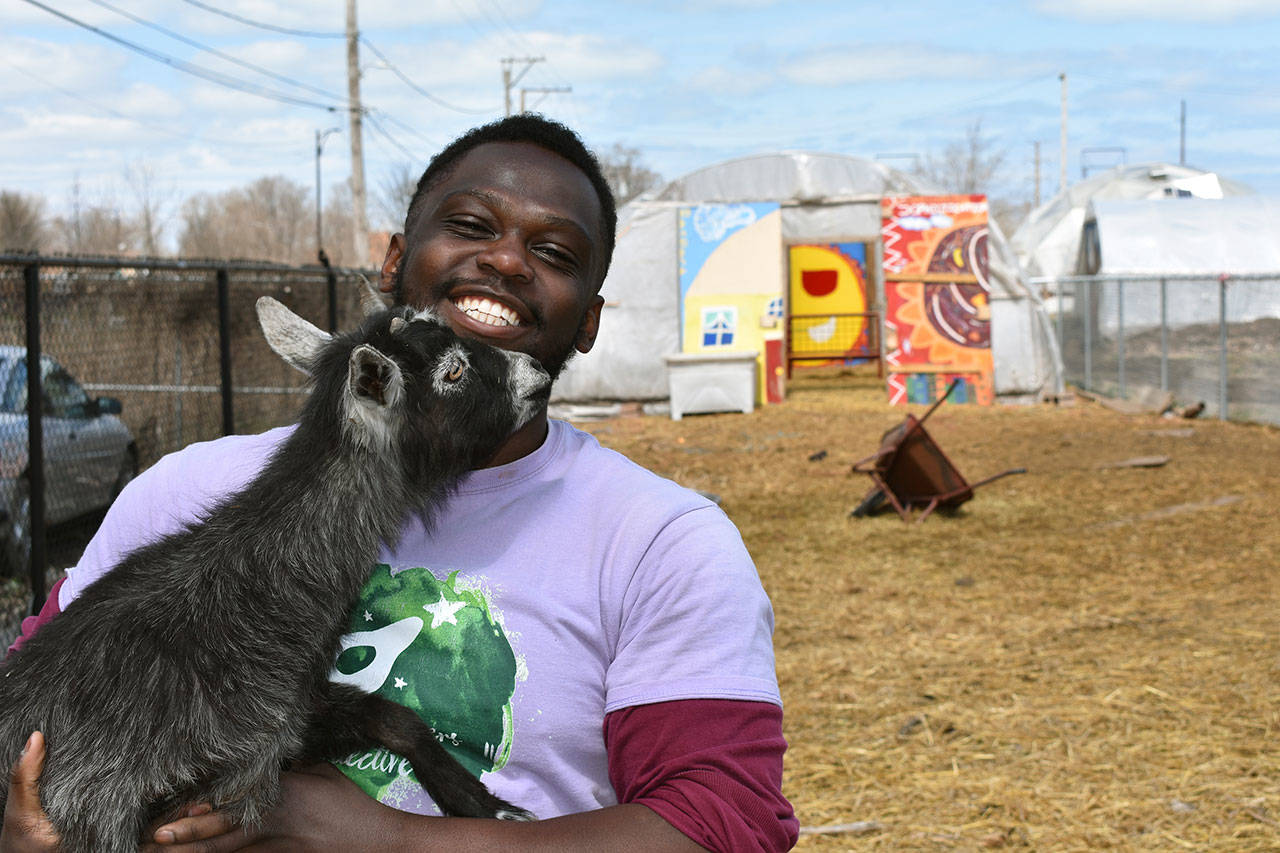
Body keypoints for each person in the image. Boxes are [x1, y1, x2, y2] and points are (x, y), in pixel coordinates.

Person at [2, 115, 798, 852]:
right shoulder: (182, 490)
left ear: (588, 321)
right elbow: (26, 732)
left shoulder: (659, 541)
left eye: (553, 253)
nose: (508, 259)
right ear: (392, 261)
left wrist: (390, 837)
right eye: (471, 225)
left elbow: (722, 821)